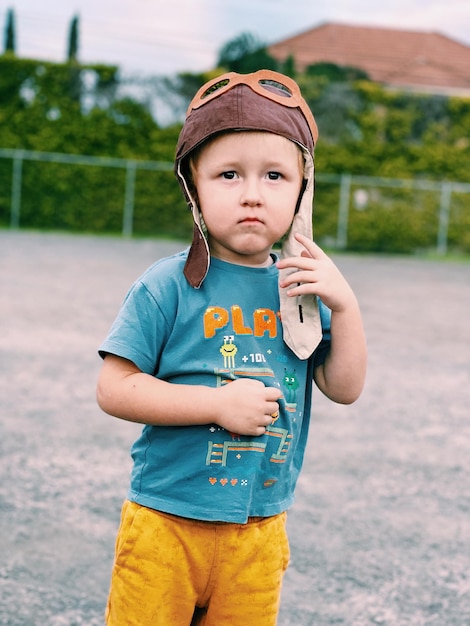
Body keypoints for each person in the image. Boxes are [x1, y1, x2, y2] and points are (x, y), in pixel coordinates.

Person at [96, 69, 367, 626]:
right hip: (167, 524)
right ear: (192, 185)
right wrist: (216, 406)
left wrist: (348, 308)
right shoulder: (164, 286)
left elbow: (344, 389)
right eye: (227, 174)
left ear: (302, 189)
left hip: (259, 532)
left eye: (274, 175)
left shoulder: (301, 290)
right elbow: (114, 388)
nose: (251, 194)